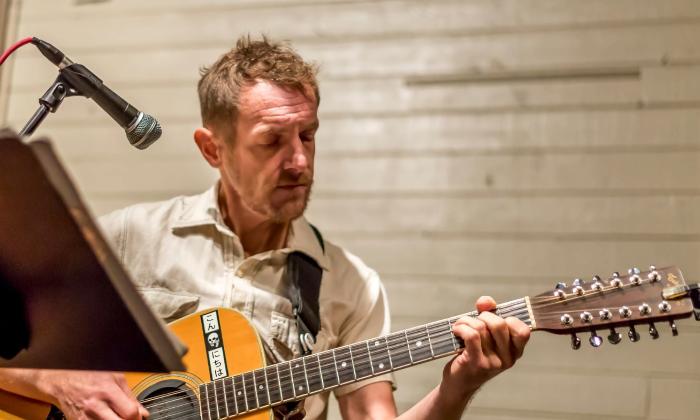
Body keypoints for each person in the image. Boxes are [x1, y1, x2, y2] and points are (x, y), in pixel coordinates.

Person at [0, 35, 530, 419]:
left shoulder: (349, 286)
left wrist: (460, 386)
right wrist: (56, 380)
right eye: (273, 141)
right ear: (213, 149)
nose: (299, 160)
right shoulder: (121, 240)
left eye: (309, 135)